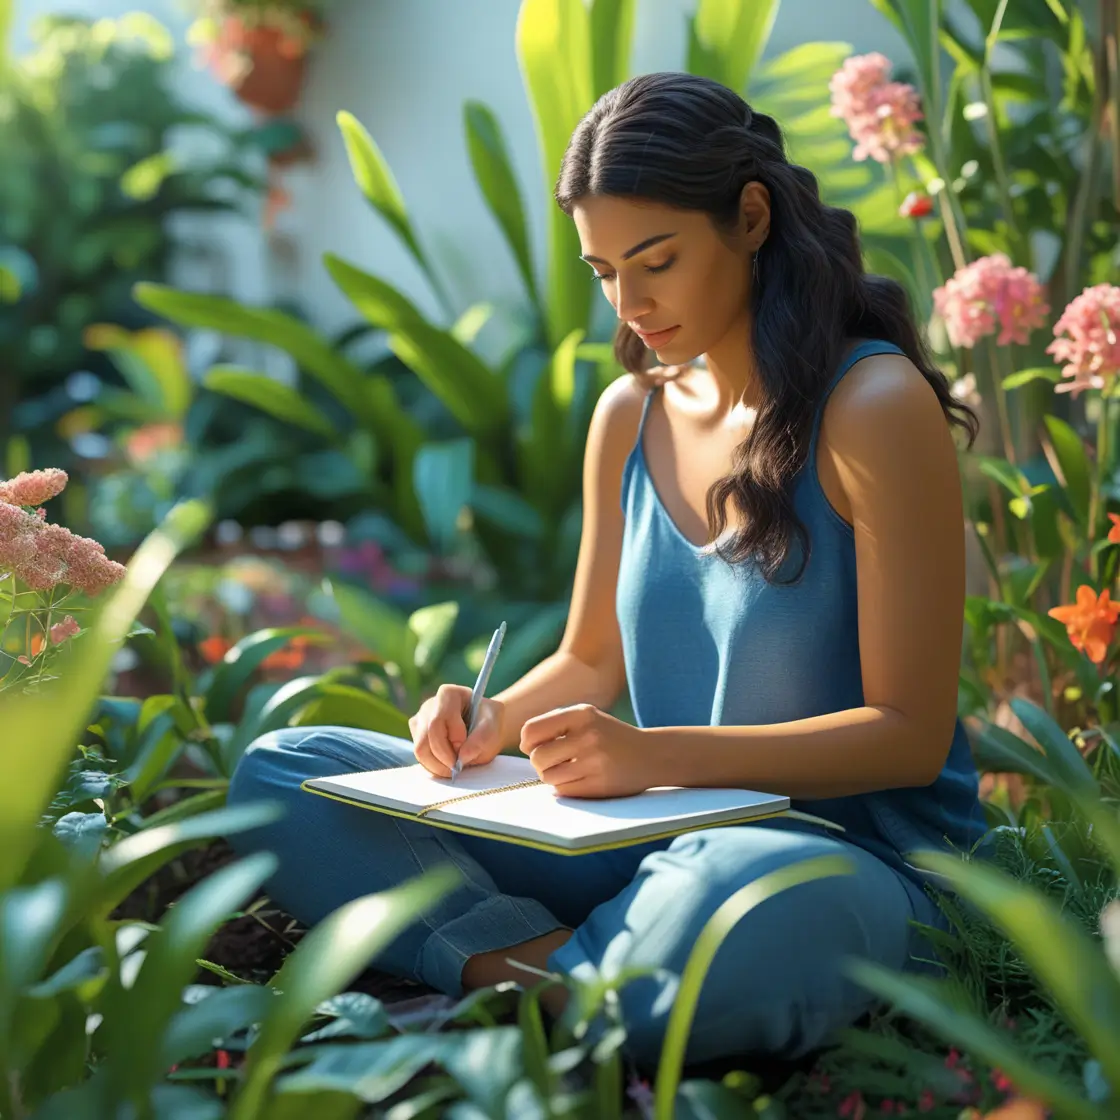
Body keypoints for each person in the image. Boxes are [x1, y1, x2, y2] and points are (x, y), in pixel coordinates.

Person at [226, 71, 988, 1071]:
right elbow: (589, 659)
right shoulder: (628, 417)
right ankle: (565, 984)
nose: (631, 302)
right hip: (652, 839)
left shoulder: (871, 407)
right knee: (287, 771)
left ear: (749, 217)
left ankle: (533, 971)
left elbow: (906, 737)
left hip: (837, 863)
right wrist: (492, 721)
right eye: (601, 271)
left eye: (656, 260)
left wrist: (652, 757)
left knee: (736, 905)